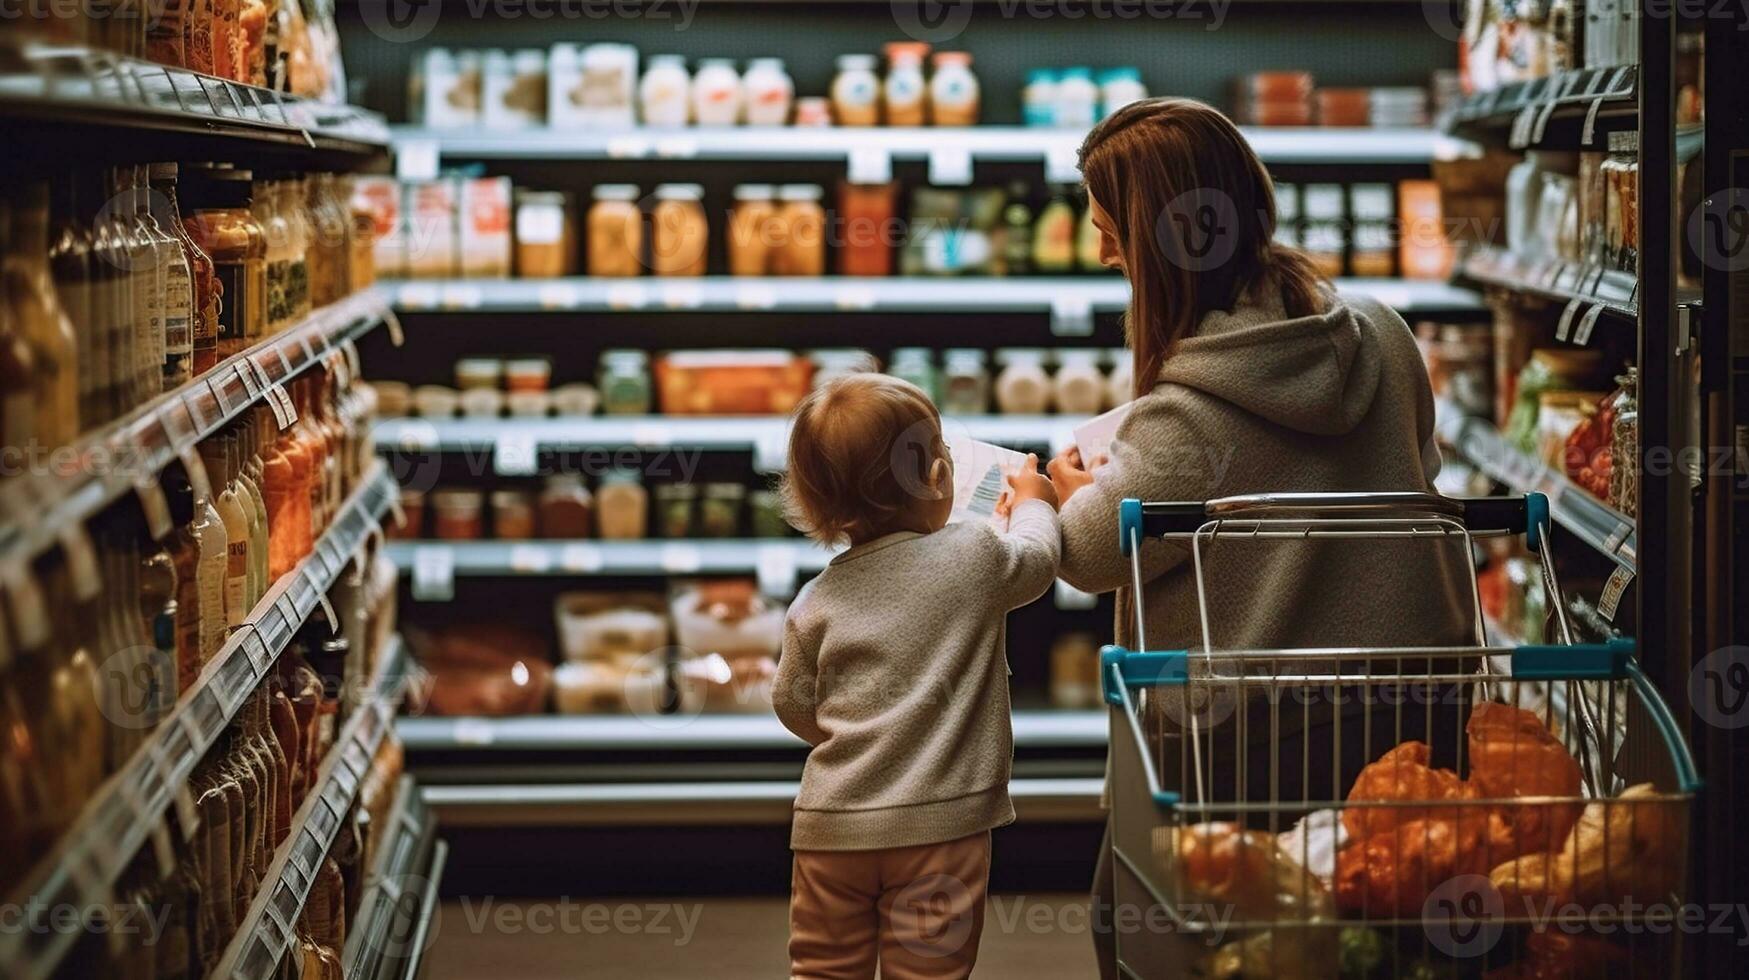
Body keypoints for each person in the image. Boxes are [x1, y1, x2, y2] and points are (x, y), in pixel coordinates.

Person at [1045, 98, 1473, 977]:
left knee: (1147, 928)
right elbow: (1409, 458)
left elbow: (1088, 554)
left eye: (1109, 230)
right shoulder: (1385, 335)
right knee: (1381, 945)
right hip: (1420, 707)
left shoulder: (1187, 418)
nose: (1100, 254)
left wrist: (1068, 487)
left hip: (1259, 738)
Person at [773, 373, 1061, 980]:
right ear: (937, 480)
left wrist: (860, 732)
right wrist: (1035, 501)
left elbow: (795, 705)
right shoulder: (973, 555)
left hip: (831, 827)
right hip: (940, 827)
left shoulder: (815, 599)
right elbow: (1036, 562)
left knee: (823, 968)